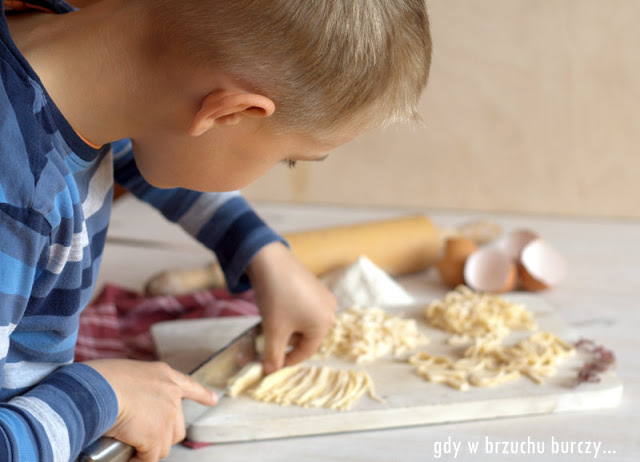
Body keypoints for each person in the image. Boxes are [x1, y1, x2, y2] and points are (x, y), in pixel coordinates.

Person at [0, 0, 432, 460]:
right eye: (287, 158)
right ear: (228, 114)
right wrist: (100, 396)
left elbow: (137, 137)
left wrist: (259, 250)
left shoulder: (71, 54)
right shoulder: (18, 206)